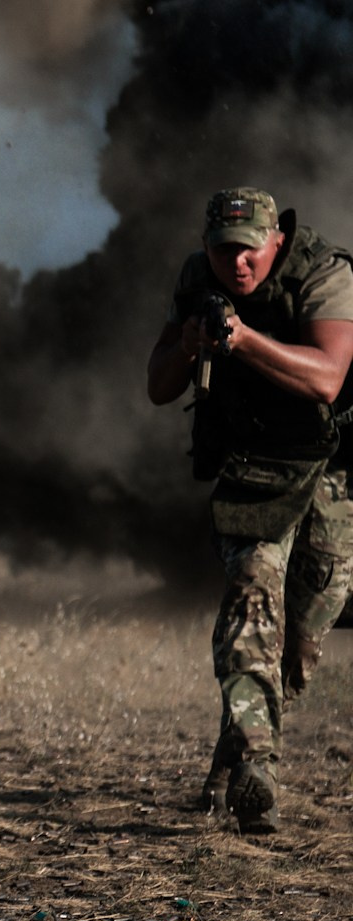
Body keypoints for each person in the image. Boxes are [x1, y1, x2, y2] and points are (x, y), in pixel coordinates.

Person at [147, 187, 353, 833]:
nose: (235, 264)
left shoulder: (324, 272)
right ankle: (257, 768)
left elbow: (326, 377)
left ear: (277, 241)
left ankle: (225, 766)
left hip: (332, 470)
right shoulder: (195, 279)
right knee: (250, 602)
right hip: (255, 470)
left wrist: (242, 339)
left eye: (248, 250)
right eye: (221, 250)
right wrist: (188, 344)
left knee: (301, 641)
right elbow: (158, 386)